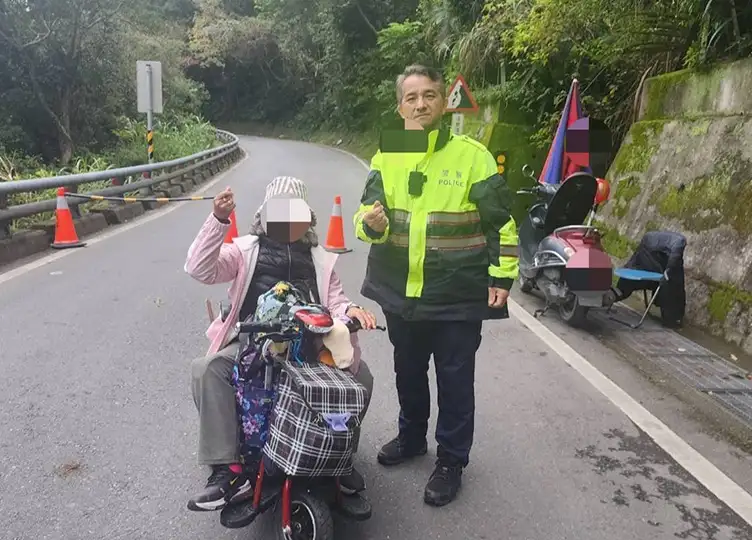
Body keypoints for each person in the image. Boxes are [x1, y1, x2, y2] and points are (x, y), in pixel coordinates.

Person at [353, 64, 519, 507]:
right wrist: (371, 224)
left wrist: (501, 276)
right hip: (400, 291)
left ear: (443, 102)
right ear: (399, 106)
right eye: (412, 97)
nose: (421, 104)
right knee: (407, 370)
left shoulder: (472, 155)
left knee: (455, 378)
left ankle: (451, 461)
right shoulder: (388, 153)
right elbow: (365, 220)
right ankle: (411, 439)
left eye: (429, 95)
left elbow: (501, 222)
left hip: (458, 292)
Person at [184, 175, 378, 512]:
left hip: (307, 347)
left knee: (361, 379)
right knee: (207, 369)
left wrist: (352, 311)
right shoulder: (244, 251)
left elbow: (336, 303)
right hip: (251, 343)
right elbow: (199, 269)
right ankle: (227, 470)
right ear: (264, 216)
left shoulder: (321, 258)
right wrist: (218, 221)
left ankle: (339, 456)